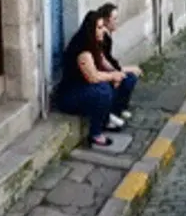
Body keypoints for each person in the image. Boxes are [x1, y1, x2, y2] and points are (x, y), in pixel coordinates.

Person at [55, 11, 133, 147]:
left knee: (128, 79)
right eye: (99, 27)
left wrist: (117, 73)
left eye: (103, 27)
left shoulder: (95, 43)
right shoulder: (82, 49)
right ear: (91, 29)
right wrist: (112, 76)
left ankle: (110, 115)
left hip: (86, 88)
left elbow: (104, 63)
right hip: (70, 95)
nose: (103, 30)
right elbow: (93, 77)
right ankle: (95, 133)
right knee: (103, 91)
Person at [97, 3, 142, 122]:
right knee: (128, 78)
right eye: (115, 19)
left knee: (129, 76)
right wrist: (122, 70)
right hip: (99, 72)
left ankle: (119, 109)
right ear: (106, 21)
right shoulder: (102, 37)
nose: (117, 22)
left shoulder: (106, 35)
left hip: (105, 70)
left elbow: (109, 59)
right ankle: (114, 111)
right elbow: (103, 61)